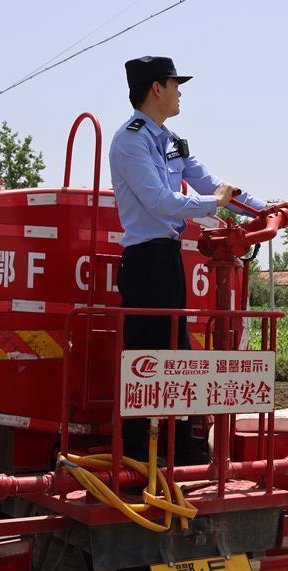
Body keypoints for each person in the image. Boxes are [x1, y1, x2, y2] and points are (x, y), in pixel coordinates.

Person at [108, 55, 268, 462]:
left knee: (177, 354)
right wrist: (211, 203)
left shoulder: (170, 139)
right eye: (175, 84)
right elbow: (161, 201)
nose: (181, 93)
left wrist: (262, 209)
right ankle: (140, 454)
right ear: (156, 89)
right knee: (149, 358)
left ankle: (183, 449)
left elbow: (211, 183)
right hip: (144, 262)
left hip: (168, 259)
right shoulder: (131, 140)